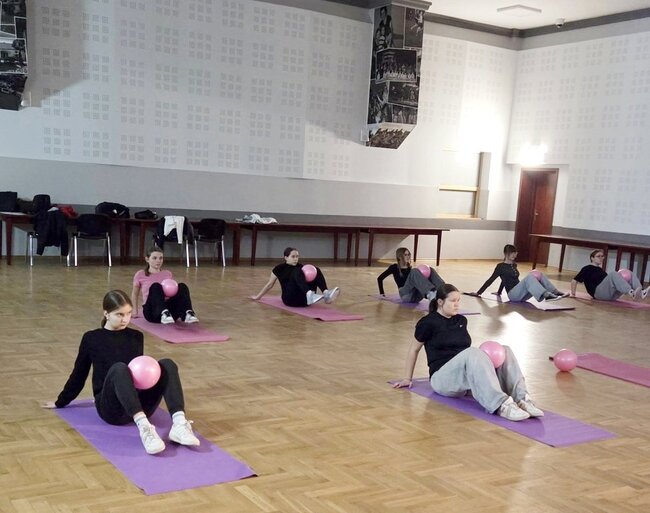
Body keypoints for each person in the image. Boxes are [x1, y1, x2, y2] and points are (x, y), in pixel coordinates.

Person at [42, 290, 200, 454]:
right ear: (106, 314)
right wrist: (61, 402)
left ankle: (179, 424)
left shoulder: (136, 336)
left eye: (129, 313)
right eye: (119, 314)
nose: (125, 319)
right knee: (119, 368)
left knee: (167, 364)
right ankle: (145, 429)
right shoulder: (91, 338)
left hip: (139, 404)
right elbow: (79, 374)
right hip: (111, 410)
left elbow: (139, 375)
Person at [393, 284, 543, 422]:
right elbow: (414, 349)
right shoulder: (427, 323)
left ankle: (523, 399)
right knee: (472, 353)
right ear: (440, 302)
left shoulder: (461, 320)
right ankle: (501, 405)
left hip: (463, 380)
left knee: (505, 349)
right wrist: (407, 378)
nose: (457, 304)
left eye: (458, 300)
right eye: (453, 301)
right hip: (442, 379)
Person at [469, 244, 569, 302]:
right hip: (513, 295)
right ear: (506, 254)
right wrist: (478, 293)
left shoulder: (514, 265)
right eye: (512, 253)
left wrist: (499, 292)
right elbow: (491, 280)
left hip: (522, 295)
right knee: (529, 278)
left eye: (515, 253)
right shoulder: (500, 266)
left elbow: (504, 280)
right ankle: (547, 295)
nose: (514, 255)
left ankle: (555, 292)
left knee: (538, 273)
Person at [131, 246, 199, 324]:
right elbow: (134, 294)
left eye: (161, 258)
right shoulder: (140, 274)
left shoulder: (167, 274)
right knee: (156, 286)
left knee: (182, 286)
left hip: (170, 314)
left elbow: (173, 292)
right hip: (152, 313)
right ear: (147, 259)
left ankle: (188, 313)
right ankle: (163, 313)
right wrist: (134, 310)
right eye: (154, 258)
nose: (158, 261)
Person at [252, 247, 340, 307]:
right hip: (290, 299)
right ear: (286, 257)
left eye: (297, 257)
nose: (295, 259)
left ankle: (326, 293)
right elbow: (270, 284)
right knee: (297, 271)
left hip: (305, 300)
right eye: (293, 257)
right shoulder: (279, 268)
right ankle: (309, 294)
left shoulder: (301, 267)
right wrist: (258, 297)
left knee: (315, 269)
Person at [570, 249, 649, 301]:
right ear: (592, 258)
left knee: (628, 272)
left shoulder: (601, 270)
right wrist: (573, 294)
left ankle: (641, 292)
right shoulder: (587, 268)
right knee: (613, 274)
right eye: (598, 256)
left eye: (602, 256)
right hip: (598, 294)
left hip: (612, 296)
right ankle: (631, 292)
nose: (601, 258)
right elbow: (574, 281)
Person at [377, 247, 445, 302]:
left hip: (416, 296)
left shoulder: (409, 268)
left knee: (430, 269)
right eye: (405, 255)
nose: (408, 256)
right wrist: (382, 294)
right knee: (414, 271)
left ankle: (444, 291)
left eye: (408, 254)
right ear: (399, 257)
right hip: (405, 294)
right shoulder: (394, 267)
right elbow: (379, 278)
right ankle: (431, 293)